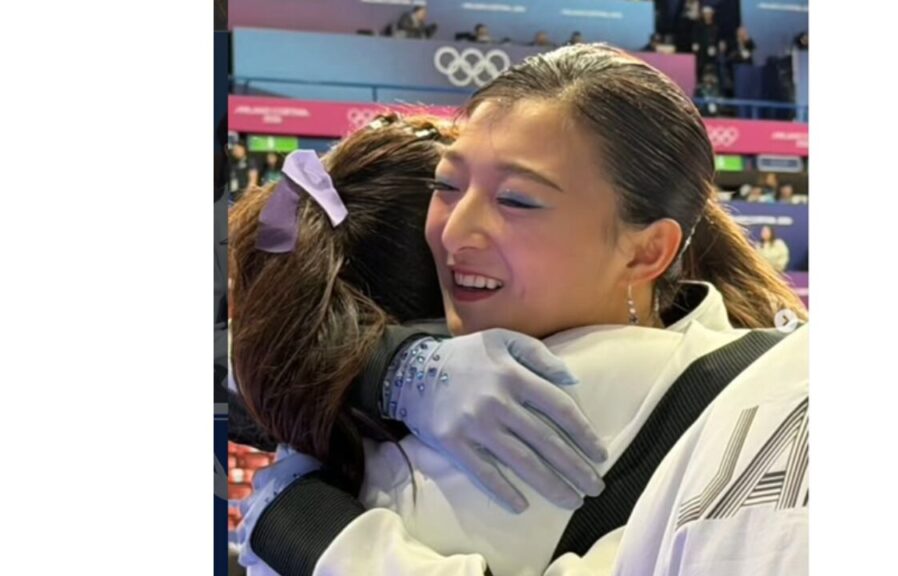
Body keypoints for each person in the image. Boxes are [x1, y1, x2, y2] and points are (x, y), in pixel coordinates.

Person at [235, 45, 808, 575]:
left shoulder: (773, 400)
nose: (457, 231)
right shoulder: (397, 412)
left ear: (647, 249)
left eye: (517, 200)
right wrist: (388, 371)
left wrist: (308, 527)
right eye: (447, 185)